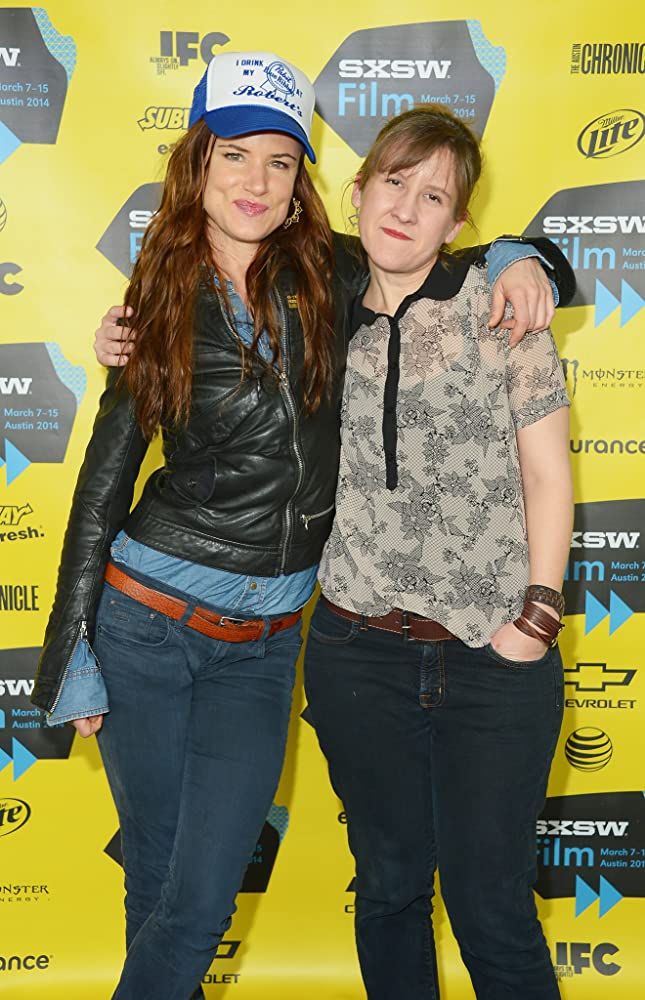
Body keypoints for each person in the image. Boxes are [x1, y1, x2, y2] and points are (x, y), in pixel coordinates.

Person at [34, 50, 572, 1000]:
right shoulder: (157, 297)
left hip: (269, 640)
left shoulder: (331, 273)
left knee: (198, 903)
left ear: (302, 185)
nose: (255, 181)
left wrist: (527, 257)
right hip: (148, 620)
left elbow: (443, 255)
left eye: (279, 162)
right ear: (197, 164)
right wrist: (68, 643)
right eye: (234, 156)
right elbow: (102, 483)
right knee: (160, 883)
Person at [302, 106, 572, 1000]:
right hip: (355, 650)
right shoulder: (314, 308)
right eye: (393, 182)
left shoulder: (500, 306)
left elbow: (546, 476)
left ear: (458, 224)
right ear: (356, 192)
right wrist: (123, 333)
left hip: (492, 655)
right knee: (386, 891)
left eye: (432, 196)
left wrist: (535, 619)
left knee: (490, 908)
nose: (405, 208)